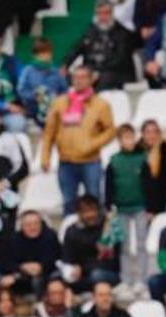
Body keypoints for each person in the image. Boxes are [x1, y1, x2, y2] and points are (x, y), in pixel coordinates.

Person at [40, 65, 117, 215]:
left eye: (83, 77)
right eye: (76, 77)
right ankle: (69, 235)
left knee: (94, 200)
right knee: (69, 202)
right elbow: (49, 132)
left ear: (91, 80)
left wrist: (92, 144)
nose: (79, 81)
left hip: (91, 161)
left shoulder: (101, 105)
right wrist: (45, 156)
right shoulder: (60, 102)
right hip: (66, 161)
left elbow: (110, 130)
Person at [105, 124, 151, 294]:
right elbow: (109, 185)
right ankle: (125, 279)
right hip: (121, 207)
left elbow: (149, 184)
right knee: (124, 245)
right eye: (125, 138)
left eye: (131, 137)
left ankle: (141, 279)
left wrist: (150, 207)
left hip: (139, 206)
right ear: (119, 141)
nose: (129, 141)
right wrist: (109, 206)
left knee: (140, 244)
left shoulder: (141, 159)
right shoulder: (114, 161)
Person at [63, 1, 136, 91]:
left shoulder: (122, 33)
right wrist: (66, 64)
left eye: (106, 13)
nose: (102, 17)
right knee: (67, 78)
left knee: (104, 79)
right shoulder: (91, 30)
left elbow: (120, 60)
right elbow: (76, 49)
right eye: (99, 13)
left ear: (112, 13)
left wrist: (96, 71)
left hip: (115, 72)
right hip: (91, 70)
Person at [61, 194, 121, 293]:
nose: (90, 215)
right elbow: (67, 258)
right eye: (86, 211)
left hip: (106, 273)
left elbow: (110, 262)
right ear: (79, 213)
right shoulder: (72, 231)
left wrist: (83, 268)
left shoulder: (108, 228)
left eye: (93, 210)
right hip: (81, 275)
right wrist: (73, 268)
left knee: (96, 275)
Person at [4, 210, 61, 297]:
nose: (33, 227)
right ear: (22, 226)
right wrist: (23, 267)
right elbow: (9, 261)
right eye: (28, 225)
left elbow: (55, 257)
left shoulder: (50, 236)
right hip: (22, 273)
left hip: (47, 271)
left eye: (36, 223)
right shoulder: (14, 239)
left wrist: (41, 267)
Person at [17, 38, 67, 130]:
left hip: (53, 106)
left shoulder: (56, 72)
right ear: (35, 55)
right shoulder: (28, 70)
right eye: (41, 53)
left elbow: (64, 91)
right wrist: (35, 96)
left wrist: (57, 98)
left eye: (47, 53)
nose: (44, 56)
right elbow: (21, 90)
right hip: (34, 105)